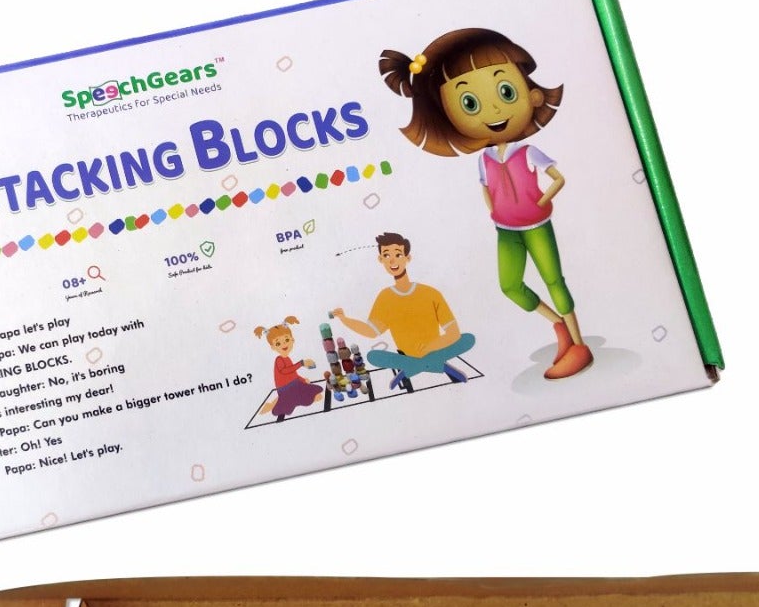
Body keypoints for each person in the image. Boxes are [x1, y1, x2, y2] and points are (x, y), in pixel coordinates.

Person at [377, 29, 594, 380]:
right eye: (469, 103)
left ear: (532, 95)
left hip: (536, 225)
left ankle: (580, 345)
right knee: (510, 286)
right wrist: (493, 210)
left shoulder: (527, 150)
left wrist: (540, 200)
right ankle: (559, 327)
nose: (493, 110)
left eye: (506, 92)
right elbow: (485, 186)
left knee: (554, 280)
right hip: (506, 229)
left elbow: (557, 178)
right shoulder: (485, 157)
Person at [331, 233, 475, 392]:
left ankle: (416, 366)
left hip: (435, 352)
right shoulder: (385, 297)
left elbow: (454, 333)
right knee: (374, 356)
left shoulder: (430, 293)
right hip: (407, 356)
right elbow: (371, 331)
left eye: (398, 254)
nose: (392, 261)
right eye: (387, 255)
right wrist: (344, 319)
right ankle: (423, 364)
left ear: (408, 257)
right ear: (381, 259)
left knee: (467, 339)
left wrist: (430, 347)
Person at [254, 315, 323, 418]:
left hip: (296, 385)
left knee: (318, 396)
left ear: (292, 339)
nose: (283, 345)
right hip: (286, 389)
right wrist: (301, 363)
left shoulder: (287, 359)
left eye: (286, 340)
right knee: (289, 406)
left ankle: (277, 402)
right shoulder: (279, 359)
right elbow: (285, 371)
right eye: (278, 343)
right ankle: (276, 404)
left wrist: (302, 379)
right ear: (273, 347)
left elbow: (293, 374)